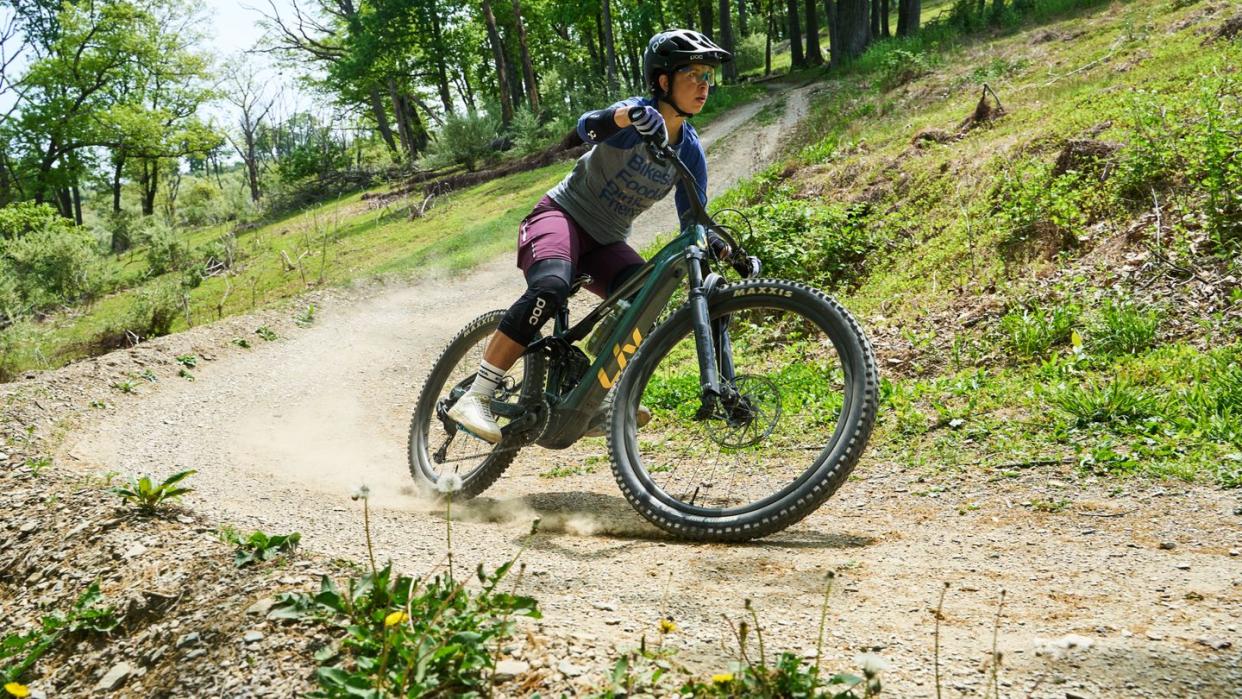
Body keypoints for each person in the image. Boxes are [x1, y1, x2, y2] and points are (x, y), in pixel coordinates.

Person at [448, 29, 732, 443]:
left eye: (708, 75)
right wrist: (627, 117)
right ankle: (478, 395)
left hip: (605, 242)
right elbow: (586, 128)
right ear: (663, 80)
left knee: (647, 298)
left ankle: (590, 394)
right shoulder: (636, 114)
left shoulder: (689, 150)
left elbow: (694, 218)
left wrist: (718, 243)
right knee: (549, 288)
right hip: (560, 216)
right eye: (693, 73)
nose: (704, 84)